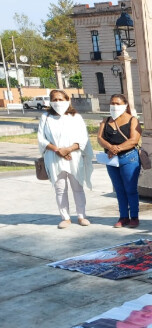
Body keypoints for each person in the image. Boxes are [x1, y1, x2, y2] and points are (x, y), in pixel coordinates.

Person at [37, 89, 94, 229]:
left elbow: (83, 138)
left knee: (78, 187)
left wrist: (68, 149)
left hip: (74, 156)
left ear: (67, 100)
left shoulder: (76, 117)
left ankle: (81, 215)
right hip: (54, 156)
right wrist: (58, 150)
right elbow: (41, 139)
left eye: (60, 99)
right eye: (55, 100)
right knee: (60, 189)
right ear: (51, 102)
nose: (58, 102)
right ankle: (65, 217)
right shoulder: (46, 117)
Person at [97, 93, 143, 228]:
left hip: (129, 157)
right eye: (112, 103)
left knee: (130, 189)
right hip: (111, 160)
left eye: (118, 104)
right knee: (119, 189)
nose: (114, 106)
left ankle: (134, 216)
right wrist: (110, 148)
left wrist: (117, 148)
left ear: (125, 105)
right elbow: (100, 138)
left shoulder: (132, 120)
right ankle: (123, 216)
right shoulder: (106, 120)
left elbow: (134, 140)